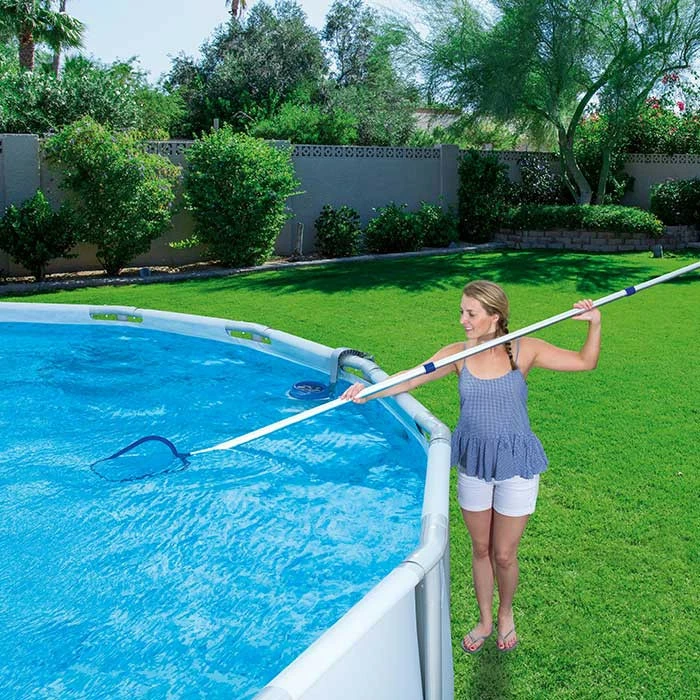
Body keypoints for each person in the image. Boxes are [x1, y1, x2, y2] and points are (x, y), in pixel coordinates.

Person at [341, 280, 601, 653]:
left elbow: (584, 362)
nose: (463, 320)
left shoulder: (525, 349)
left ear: (495, 317)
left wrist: (594, 323)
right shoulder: (457, 354)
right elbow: (412, 377)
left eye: (471, 313)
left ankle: (506, 613)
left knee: (504, 554)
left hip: (516, 463)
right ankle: (484, 619)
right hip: (474, 463)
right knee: (480, 548)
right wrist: (367, 391)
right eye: (462, 312)